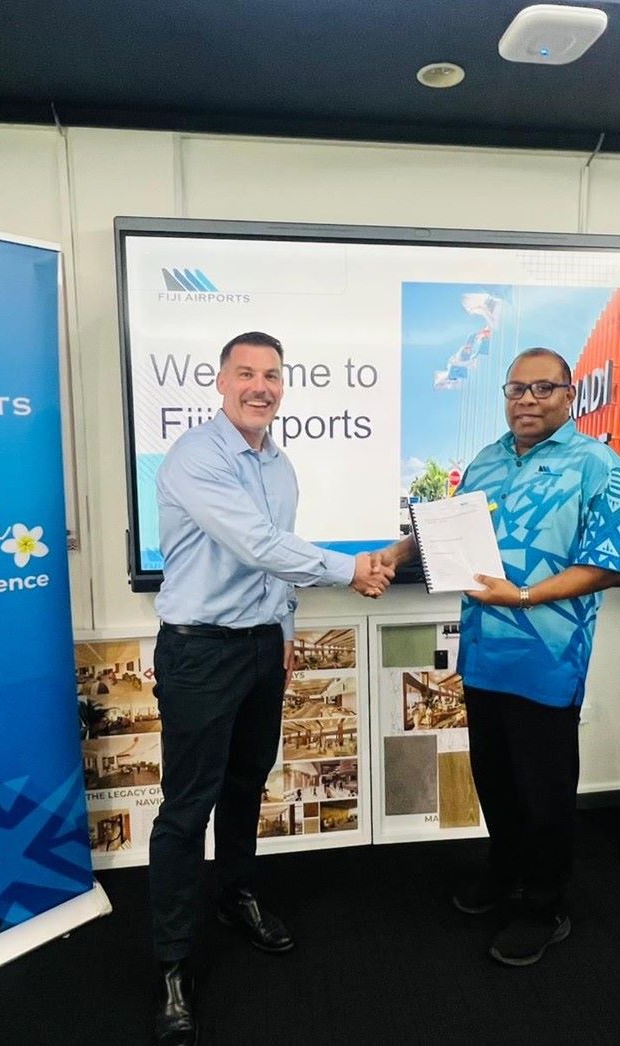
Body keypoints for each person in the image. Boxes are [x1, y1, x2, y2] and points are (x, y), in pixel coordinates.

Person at [149, 331, 391, 1046]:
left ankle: (235, 896)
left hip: (260, 648)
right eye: (246, 373)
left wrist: (282, 632)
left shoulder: (279, 465)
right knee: (185, 810)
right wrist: (352, 569)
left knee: (246, 785)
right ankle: (172, 966)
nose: (261, 386)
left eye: (273, 376)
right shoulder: (196, 457)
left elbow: (272, 567)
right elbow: (255, 543)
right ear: (221, 381)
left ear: (283, 386)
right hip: (200, 652)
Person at [374, 346, 620, 967]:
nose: (527, 400)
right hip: (484, 649)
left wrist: (522, 596)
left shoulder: (598, 465)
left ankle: (544, 907)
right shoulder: (488, 460)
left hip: (548, 657)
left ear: (570, 395)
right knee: (493, 776)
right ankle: (505, 870)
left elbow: (609, 564)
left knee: (544, 789)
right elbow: (445, 532)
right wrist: (394, 554)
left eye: (543, 388)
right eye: (516, 389)